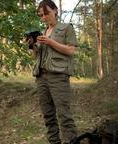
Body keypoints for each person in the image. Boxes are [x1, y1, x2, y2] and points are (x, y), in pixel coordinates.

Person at [27, 0, 78, 144]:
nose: (44, 17)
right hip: (41, 77)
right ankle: (54, 142)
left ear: (55, 10)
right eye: (41, 15)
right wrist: (33, 46)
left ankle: (70, 141)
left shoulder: (66, 28)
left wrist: (50, 42)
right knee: (48, 115)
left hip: (58, 77)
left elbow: (71, 50)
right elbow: (37, 57)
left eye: (46, 13)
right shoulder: (43, 32)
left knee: (64, 115)